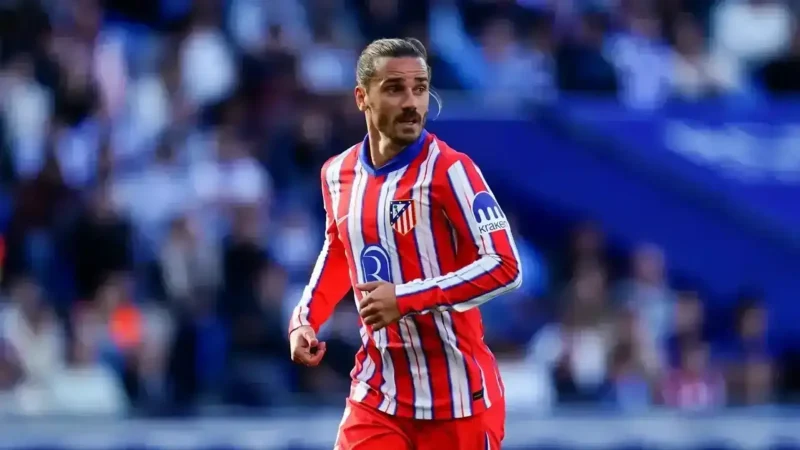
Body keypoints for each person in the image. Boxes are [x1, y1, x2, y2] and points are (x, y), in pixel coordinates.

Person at [288, 37, 522, 450]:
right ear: (362, 97)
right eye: (395, 89)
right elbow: (340, 249)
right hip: (378, 396)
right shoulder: (337, 173)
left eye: (420, 88)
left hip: (457, 401)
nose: (412, 102)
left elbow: (506, 266)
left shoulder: (452, 170)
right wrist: (306, 319)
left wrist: (406, 298)